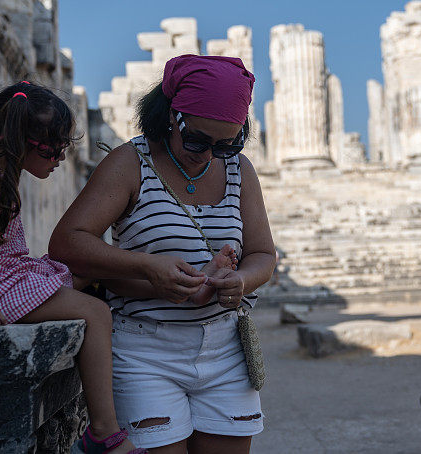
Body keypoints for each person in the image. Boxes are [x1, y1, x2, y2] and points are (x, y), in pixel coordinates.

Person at [49, 55, 277, 453]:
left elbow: (262, 254)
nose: (208, 155)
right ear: (172, 115)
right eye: (197, 140)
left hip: (226, 352)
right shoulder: (129, 163)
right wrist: (147, 267)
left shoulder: (240, 170)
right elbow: (68, 243)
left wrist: (240, 279)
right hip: (144, 352)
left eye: (227, 144)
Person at [0, 82, 144, 454]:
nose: (59, 159)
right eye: (56, 149)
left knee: (92, 269)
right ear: (26, 142)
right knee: (96, 312)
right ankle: (105, 432)